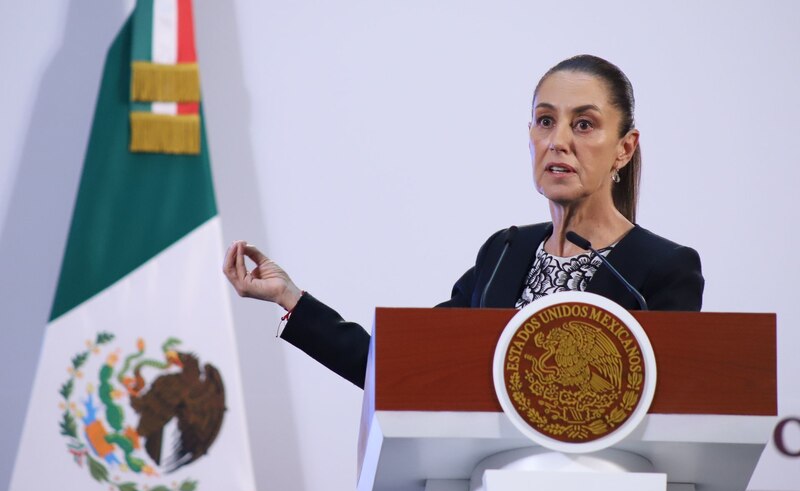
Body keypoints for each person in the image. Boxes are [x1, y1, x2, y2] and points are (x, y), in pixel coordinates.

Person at [223, 55, 704, 389]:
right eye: (544, 121)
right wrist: (290, 298)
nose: (558, 141)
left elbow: (672, 412)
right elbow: (404, 368)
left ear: (625, 147)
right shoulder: (505, 253)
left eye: (583, 124)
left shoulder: (660, 269)